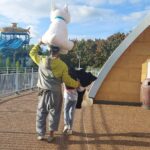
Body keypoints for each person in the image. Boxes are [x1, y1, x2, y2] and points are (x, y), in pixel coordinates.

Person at [29, 41, 80, 143]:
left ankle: (41, 134)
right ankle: (51, 135)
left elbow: (32, 53)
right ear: (59, 52)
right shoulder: (62, 65)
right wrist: (76, 84)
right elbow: (67, 80)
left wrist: (39, 43)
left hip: (42, 92)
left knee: (41, 113)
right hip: (55, 93)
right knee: (54, 113)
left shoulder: (41, 60)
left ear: (50, 50)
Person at [63, 67, 78, 134]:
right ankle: (70, 129)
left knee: (66, 111)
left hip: (67, 97)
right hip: (75, 98)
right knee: (71, 113)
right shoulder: (77, 80)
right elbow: (80, 89)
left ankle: (66, 125)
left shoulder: (66, 79)